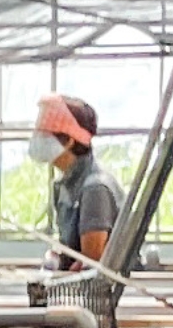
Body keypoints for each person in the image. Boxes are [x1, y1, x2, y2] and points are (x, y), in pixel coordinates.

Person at [38, 94, 126, 269]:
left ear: (69, 141)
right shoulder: (64, 186)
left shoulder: (95, 189)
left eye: (45, 136)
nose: (38, 140)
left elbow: (91, 261)